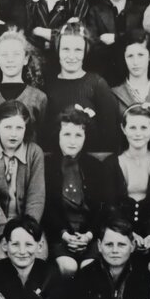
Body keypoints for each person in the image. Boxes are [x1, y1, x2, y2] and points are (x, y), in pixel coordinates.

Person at [102, 104, 150, 270]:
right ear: (124, 129)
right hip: (120, 232)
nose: (138, 133)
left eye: (143, 127)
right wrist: (129, 233)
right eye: (132, 127)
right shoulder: (111, 163)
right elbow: (111, 205)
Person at [0, 101, 47, 262]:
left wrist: (28, 231)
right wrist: (3, 233)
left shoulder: (34, 152)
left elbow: (36, 197)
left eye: (19, 128)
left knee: (38, 258)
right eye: (7, 127)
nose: (13, 134)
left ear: (26, 129)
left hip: (29, 223)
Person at [44, 107, 104, 278]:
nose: (72, 141)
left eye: (78, 135)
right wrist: (64, 235)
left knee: (89, 266)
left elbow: (102, 207)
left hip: (89, 234)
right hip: (59, 232)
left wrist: (88, 235)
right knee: (68, 266)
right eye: (67, 134)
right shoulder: (47, 165)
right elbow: (48, 206)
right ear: (58, 135)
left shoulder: (95, 166)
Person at [42, 20, 119, 152]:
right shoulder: (48, 85)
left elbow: (110, 133)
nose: (71, 56)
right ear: (58, 50)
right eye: (66, 49)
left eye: (78, 50)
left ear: (85, 51)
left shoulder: (97, 84)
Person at [0, 28, 48, 142]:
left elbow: (42, 138)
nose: (10, 60)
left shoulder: (39, 98)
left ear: (25, 59)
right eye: (4, 55)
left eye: (16, 54)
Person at [85, 0, 144, 85]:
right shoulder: (94, 11)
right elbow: (93, 46)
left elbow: (143, 38)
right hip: (104, 77)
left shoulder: (140, 12)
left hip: (134, 76)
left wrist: (116, 39)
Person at [110, 31, 150, 129]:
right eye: (130, 56)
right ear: (124, 58)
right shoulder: (114, 94)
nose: (135, 62)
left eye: (141, 55)